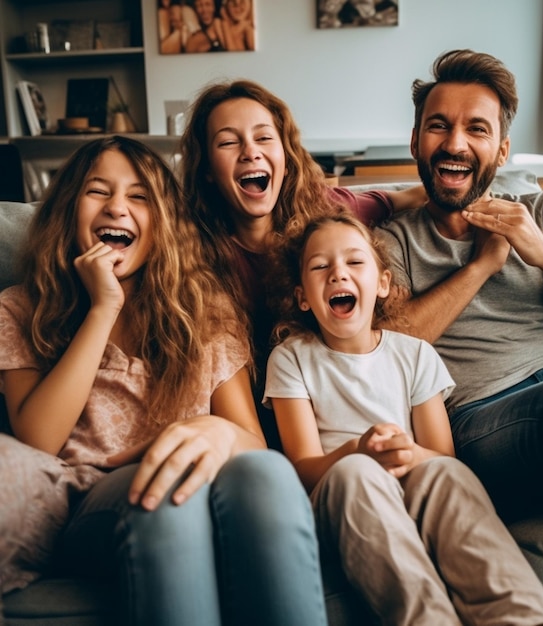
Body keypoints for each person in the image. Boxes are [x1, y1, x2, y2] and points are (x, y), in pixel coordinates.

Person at [0, 135, 328, 626]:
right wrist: (102, 307)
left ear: (162, 223)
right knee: (171, 489)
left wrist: (217, 430)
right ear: (69, 210)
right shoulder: (20, 307)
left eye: (139, 197)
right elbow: (38, 439)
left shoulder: (206, 309)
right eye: (98, 191)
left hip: (202, 483)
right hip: (85, 497)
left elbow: (252, 445)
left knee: (268, 473)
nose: (117, 207)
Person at [375, 49, 543, 563]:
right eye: (438, 126)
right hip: (483, 420)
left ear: (502, 149)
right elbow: (394, 342)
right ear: (416, 142)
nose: (455, 144)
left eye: (476, 129)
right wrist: (481, 267)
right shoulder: (390, 241)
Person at [263, 211, 543, 625]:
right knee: (358, 474)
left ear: (382, 284)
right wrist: (356, 451)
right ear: (303, 297)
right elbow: (304, 469)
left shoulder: (414, 354)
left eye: (354, 261)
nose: (338, 274)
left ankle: (519, 618)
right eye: (320, 266)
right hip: (341, 494)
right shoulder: (292, 358)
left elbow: (441, 456)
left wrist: (405, 453)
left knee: (449, 476)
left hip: (412, 480)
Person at [180, 78, 426, 447]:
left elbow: (402, 198)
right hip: (250, 417)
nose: (250, 152)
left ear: (285, 153)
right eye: (229, 142)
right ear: (207, 171)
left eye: (264, 138)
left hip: (326, 410)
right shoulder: (189, 248)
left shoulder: (325, 213)